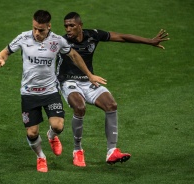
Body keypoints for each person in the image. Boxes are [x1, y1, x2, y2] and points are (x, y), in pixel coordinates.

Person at [0, 10, 106, 172]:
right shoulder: (23, 38)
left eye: (41, 30)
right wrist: (1, 59)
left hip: (50, 92)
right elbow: (5, 52)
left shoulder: (57, 41)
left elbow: (74, 55)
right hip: (29, 93)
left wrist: (90, 75)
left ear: (49, 26)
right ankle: (41, 157)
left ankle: (51, 136)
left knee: (58, 126)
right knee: (32, 133)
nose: (37, 33)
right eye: (35, 29)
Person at [57, 12, 169, 167]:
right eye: (66, 26)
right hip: (68, 81)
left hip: (88, 80)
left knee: (111, 105)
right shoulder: (61, 41)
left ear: (80, 25)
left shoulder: (93, 35)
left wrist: (150, 41)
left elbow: (122, 37)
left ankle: (112, 151)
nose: (68, 29)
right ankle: (77, 150)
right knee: (80, 107)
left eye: (72, 25)